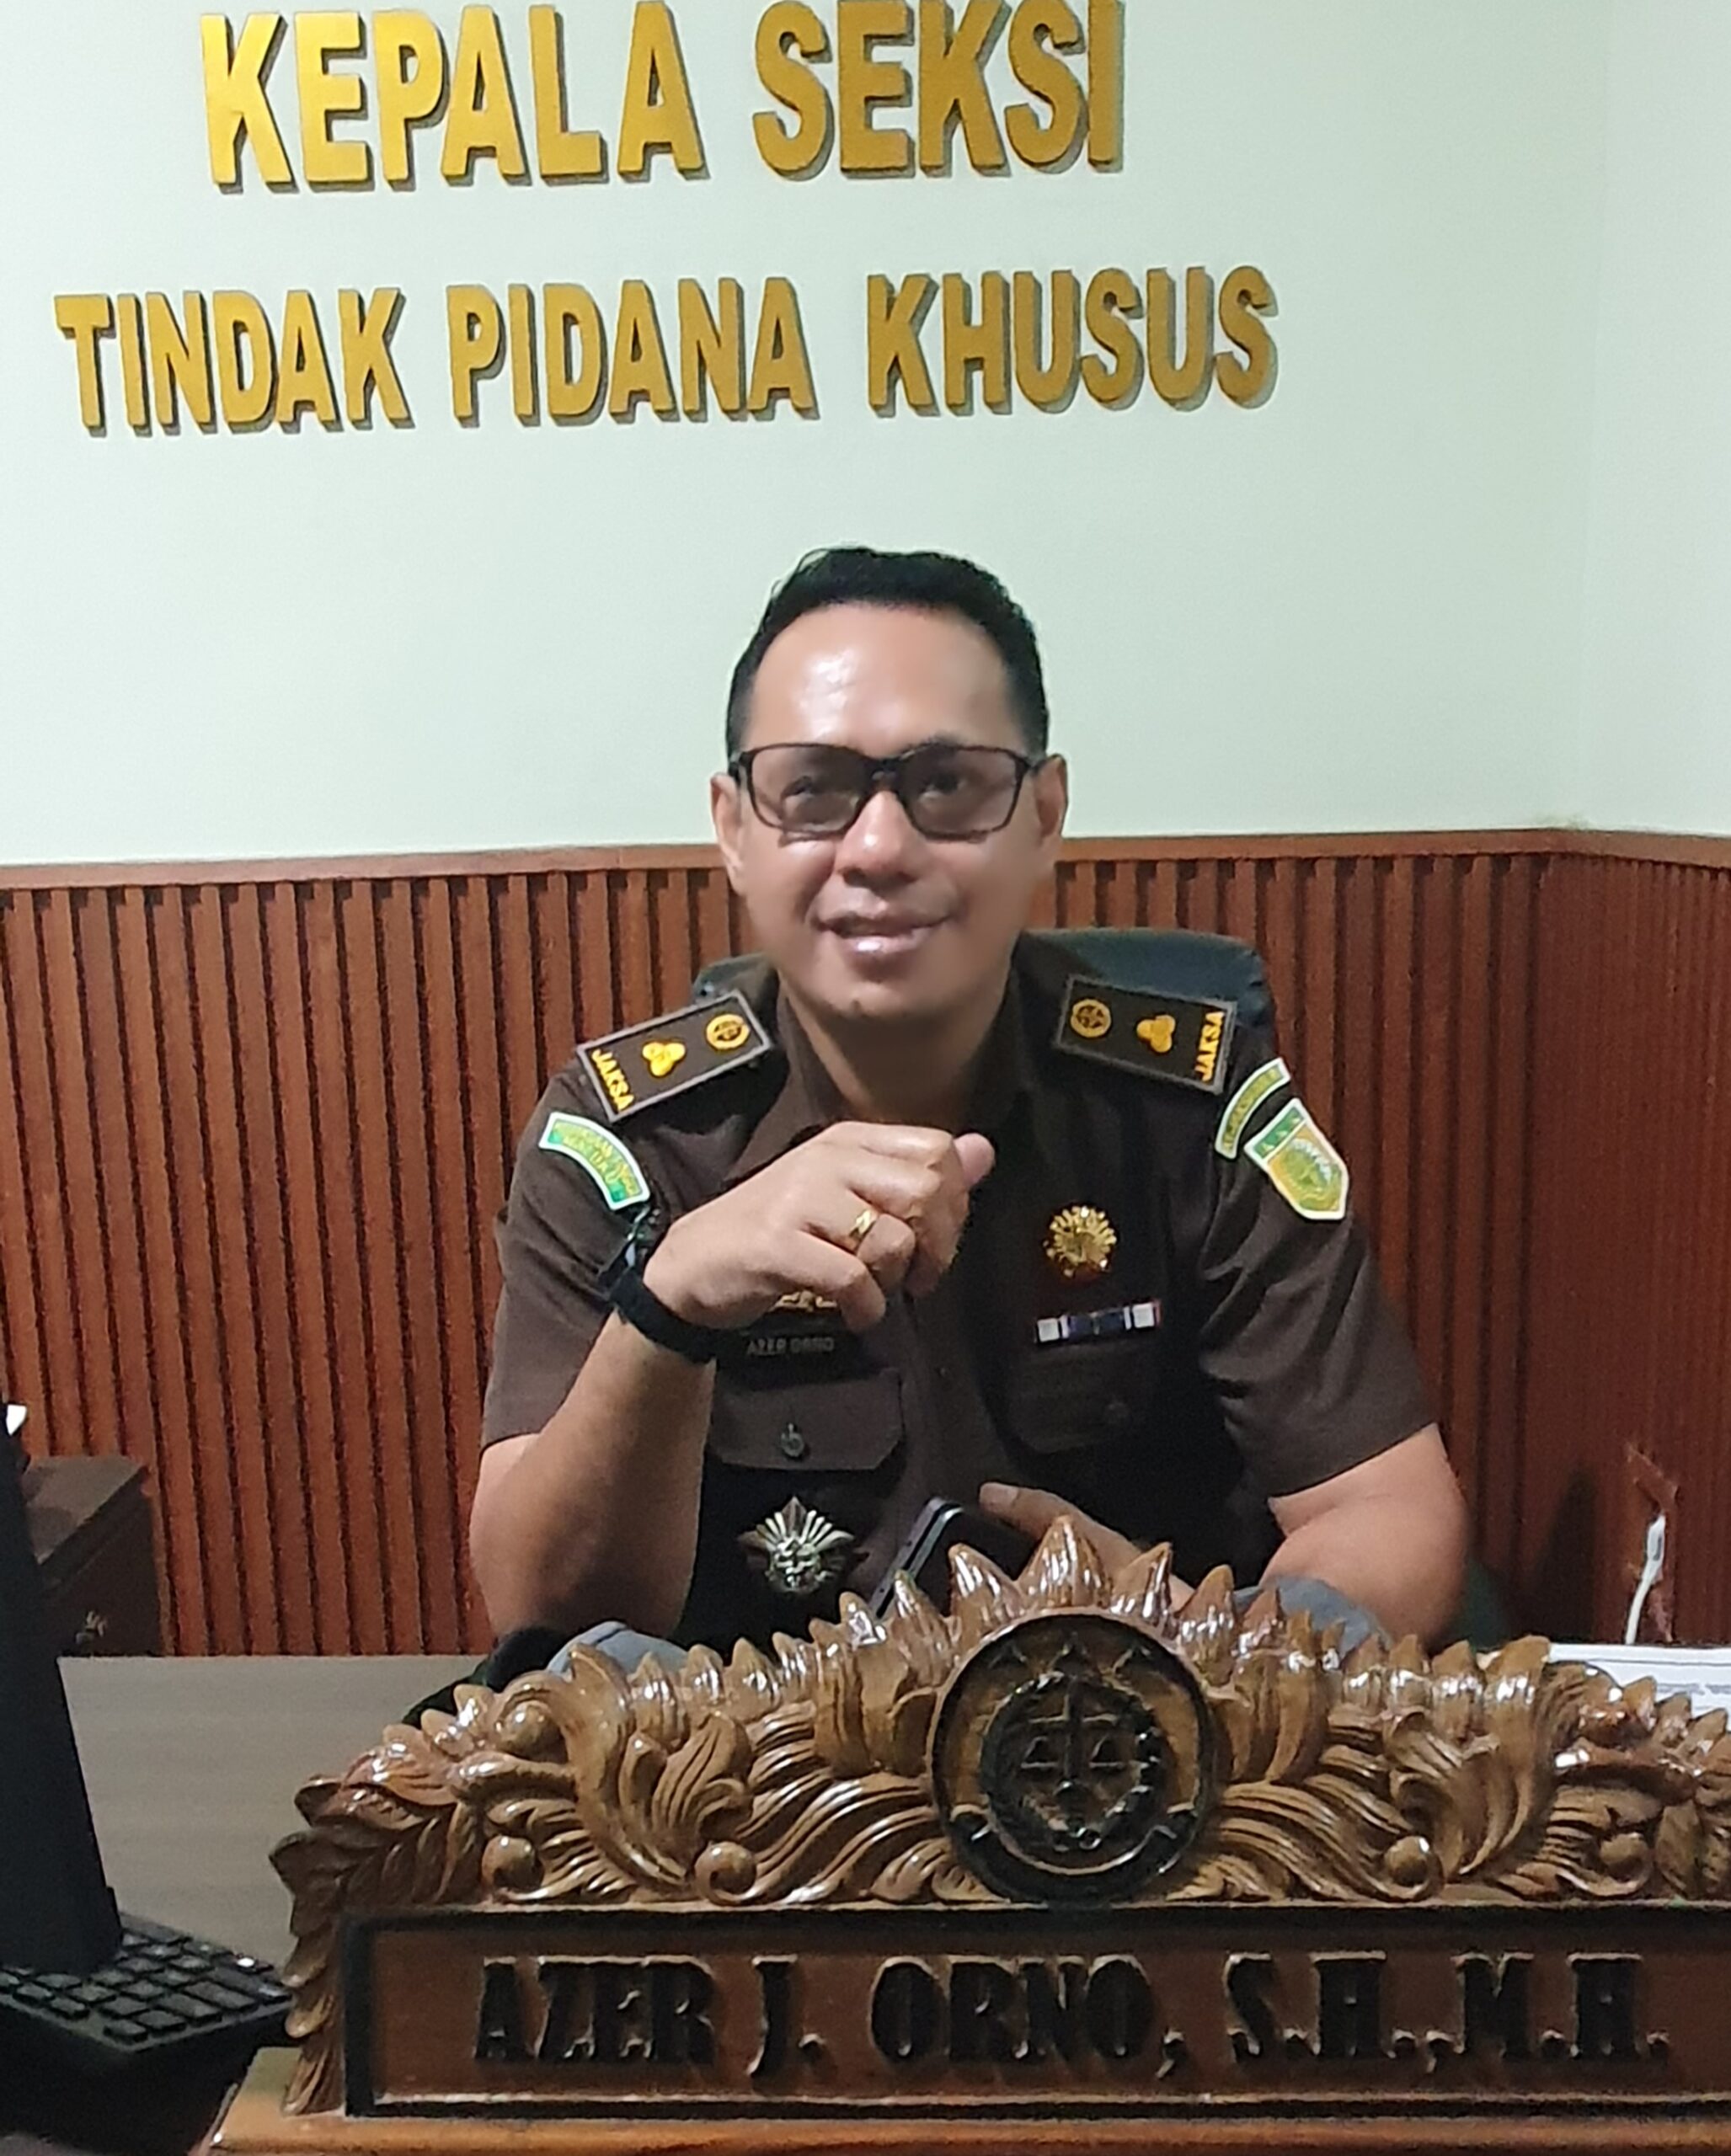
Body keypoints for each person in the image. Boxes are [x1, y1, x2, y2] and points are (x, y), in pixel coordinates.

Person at [468, 547, 1468, 1658]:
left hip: (1131, 1743)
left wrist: (1216, 1655)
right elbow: (540, 1609)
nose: (880, 848)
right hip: (748, 1762)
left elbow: (1388, 1511)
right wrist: (670, 1306)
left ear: (1044, 815)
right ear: (735, 829)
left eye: (947, 785)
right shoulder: (625, 1139)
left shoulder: (1193, 1111)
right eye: (813, 790)